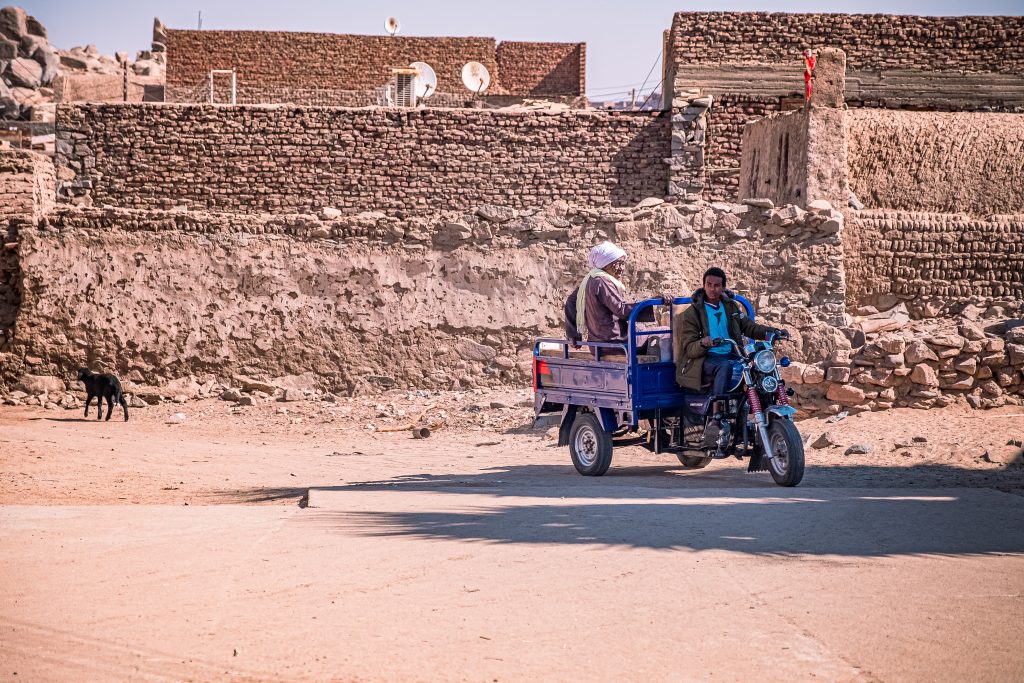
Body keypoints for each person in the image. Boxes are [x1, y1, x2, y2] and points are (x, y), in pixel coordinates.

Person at [673, 267, 788, 449]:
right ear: (703, 286)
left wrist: (773, 332)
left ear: (723, 287)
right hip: (703, 359)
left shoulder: (731, 307)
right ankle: (716, 418)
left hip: (732, 354)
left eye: (717, 285)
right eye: (709, 285)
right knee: (725, 366)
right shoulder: (693, 313)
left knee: (757, 366)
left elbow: (749, 327)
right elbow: (689, 349)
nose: (712, 289)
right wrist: (704, 343)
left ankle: (762, 409)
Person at [564, 241, 668, 350]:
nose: (622, 268)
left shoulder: (590, 279)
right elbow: (621, 310)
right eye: (618, 263)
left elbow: (571, 302)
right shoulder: (602, 281)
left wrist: (573, 336)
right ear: (606, 264)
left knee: (642, 329)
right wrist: (652, 302)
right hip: (616, 342)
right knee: (666, 332)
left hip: (598, 344)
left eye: (623, 264)